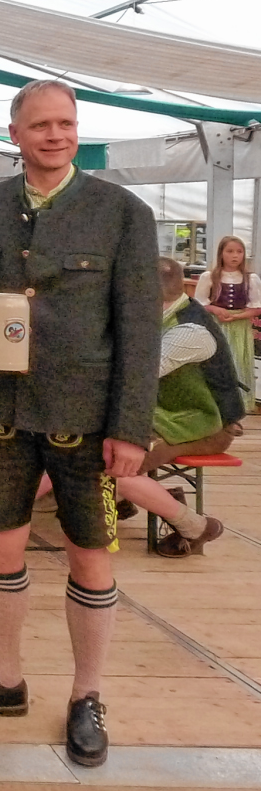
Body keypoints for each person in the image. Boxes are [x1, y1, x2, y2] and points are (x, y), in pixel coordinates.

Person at [0, 79, 159, 769]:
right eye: (40, 125)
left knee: (90, 553)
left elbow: (140, 329)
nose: (54, 135)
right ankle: (5, 677)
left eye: (64, 124)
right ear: (15, 134)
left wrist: (130, 427)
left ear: (76, 131)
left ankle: (87, 695)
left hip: (88, 420)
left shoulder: (123, 212)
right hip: (3, 413)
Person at [110, 257, 237, 557]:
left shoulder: (190, 331)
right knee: (96, 449)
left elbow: (134, 378)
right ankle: (123, 500)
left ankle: (195, 526)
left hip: (204, 424)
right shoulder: (161, 317)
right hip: (167, 417)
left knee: (116, 465)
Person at [193, 235, 259, 415]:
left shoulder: (250, 279)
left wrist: (237, 317)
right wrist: (215, 309)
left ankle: (236, 410)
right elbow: (199, 304)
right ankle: (214, 407)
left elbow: (257, 307)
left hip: (239, 327)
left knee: (237, 364)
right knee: (216, 364)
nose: (235, 256)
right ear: (221, 253)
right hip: (215, 325)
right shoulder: (210, 276)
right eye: (229, 251)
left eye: (239, 251)